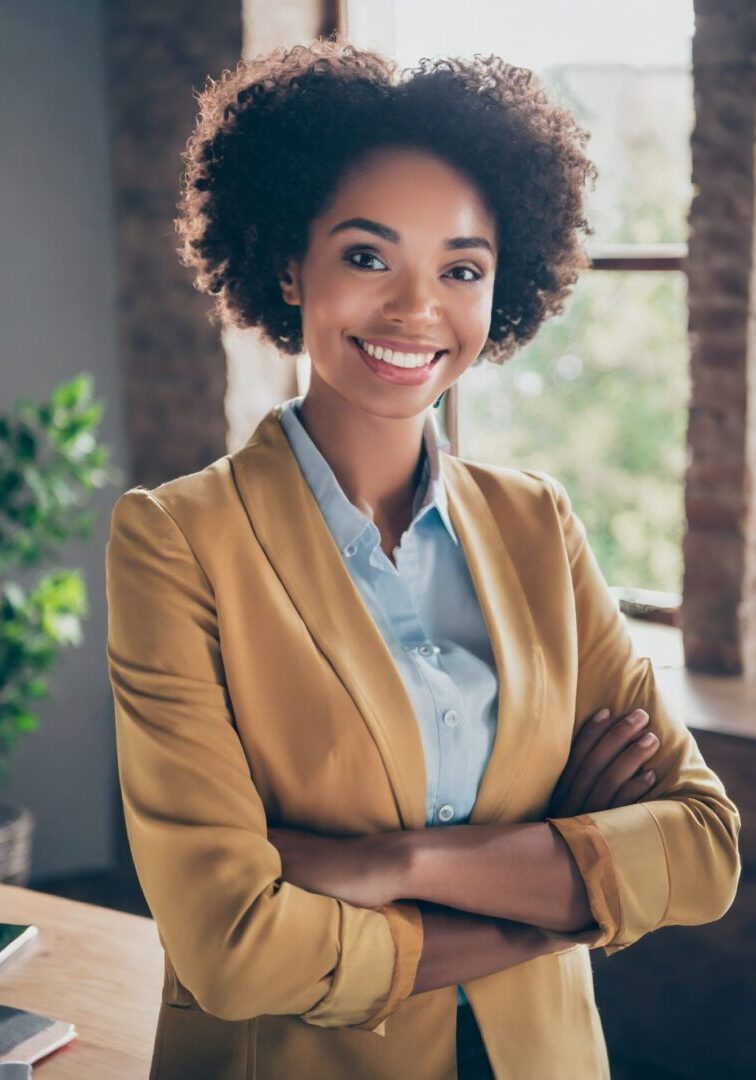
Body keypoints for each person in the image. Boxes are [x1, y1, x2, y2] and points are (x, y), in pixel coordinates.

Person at [105, 37, 741, 1080]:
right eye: (366, 255)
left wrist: (391, 865)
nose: (416, 309)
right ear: (284, 263)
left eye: (462, 269)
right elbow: (231, 946)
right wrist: (554, 889)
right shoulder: (178, 543)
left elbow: (703, 850)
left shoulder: (540, 524)